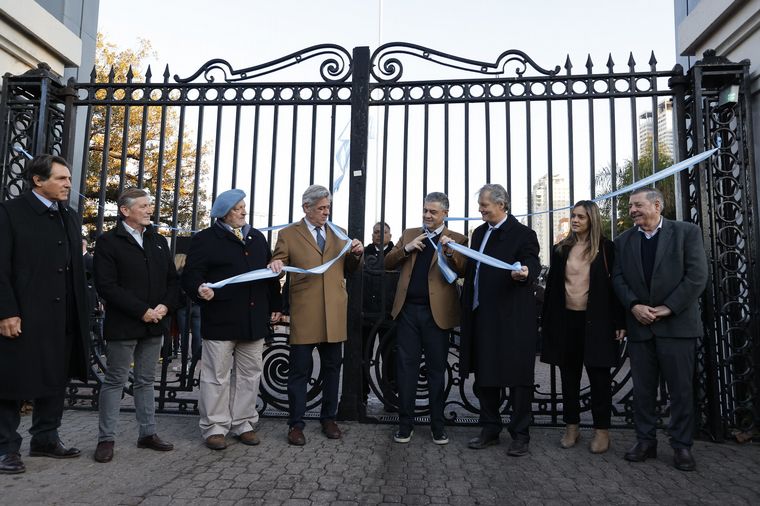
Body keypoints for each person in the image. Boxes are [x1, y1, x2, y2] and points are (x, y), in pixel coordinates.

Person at [0, 154, 90, 474]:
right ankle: (5, 448)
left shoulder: (70, 215)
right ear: (38, 181)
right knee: (11, 381)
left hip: (63, 314)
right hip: (24, 314)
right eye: (61, 179)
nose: (69, 184)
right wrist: (6, 310)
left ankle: (45, 438)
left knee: (56, 376)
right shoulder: (10, 212)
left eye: (68, 178)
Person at [612, 187, 708, 471]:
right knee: (642, 390)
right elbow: (617, 278)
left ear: (657, 205)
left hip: (677, 326)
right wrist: (634, 306)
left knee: (680, 391)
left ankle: (681, 446)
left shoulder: (686, 233)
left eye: (637, 205)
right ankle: (645, 441)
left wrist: (668, 307)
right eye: (630, 206)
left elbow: (697, 275)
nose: (632, 211)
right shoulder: (623, 240)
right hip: (640, 327)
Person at [182, 189, 282, 450]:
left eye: (244, 207)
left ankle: (244, 423)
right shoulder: (206, 239)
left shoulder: (257, 238)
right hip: (221, 318)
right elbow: (191, 275)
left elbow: (268, 274)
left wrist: (277, 304)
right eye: (238, 208)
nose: (243, 212)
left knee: (250, 375)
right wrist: (199, 289)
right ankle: (214, 427)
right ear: (224, 213)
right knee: (216, 376)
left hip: (254, 319)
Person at [268, 185, 363, 446]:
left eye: (328, 208)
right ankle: (296, 424)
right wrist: (275, 265)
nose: (326, 212)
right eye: (321, 208)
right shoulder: (288, 233)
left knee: (333, 368)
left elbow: (351, 269)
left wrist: (357, 254)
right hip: (305, 311)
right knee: (299, 371)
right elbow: (279, 262)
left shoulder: (339, 232)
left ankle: (328, 419)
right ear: (306, 208)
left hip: (334, 311)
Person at [92, 188, 180, 463]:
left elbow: (173, 281)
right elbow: (106, 285)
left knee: (145, 380)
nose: (148, 210)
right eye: (142, 206)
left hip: (155, 324)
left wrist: (165, 307)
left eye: (149, 206)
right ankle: (106, 439)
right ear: (125, 210)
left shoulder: (158, 241)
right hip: (125, 324)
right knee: (115, 380)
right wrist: (141, 311)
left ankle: (147, 434)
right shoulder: (109, 241)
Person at [460, 183, 540, 457]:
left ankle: (520, 435)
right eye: (480, 205)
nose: (480, 210)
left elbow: (532, 262)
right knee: (486, 376)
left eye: (484, 205)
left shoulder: (523, 234)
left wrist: (525, 273)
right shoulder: (479, 233)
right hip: (482, 316)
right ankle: (490, 429)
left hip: (512, 319)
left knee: (518, 379)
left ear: (501, 205)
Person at [540, 200, 626, 454]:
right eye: (573, 216)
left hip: (597, 323)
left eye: (581, 217)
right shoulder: (560, 249)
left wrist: (620, 321)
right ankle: (572, 426)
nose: (575, 220)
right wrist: (547, 323)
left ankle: (601, 431)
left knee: (599, 379)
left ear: (592, 220)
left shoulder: (607, 249)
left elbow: (615, 287)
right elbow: (553, 289)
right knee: (569, 378)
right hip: (567, 322)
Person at [384, 192, 467, 444]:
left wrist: (450, 252)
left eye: (433, 212)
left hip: (437, 315)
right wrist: (405, 250)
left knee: (435, 371)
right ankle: (405, 424)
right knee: (406, 369)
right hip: (408, 312)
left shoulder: (457, 238)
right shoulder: (410, 234)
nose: (427, 215)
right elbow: (387, 262)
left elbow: (465, 268)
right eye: (425, 210)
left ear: (445, 214)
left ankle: (437, 425)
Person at [362, 221, 398, 410]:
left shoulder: (396, 252)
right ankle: (360, 395)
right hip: (366, 313)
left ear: (390, 235)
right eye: (376, 232)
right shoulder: (364, 252)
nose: (379, 234)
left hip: (389, 313)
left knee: (390, 356)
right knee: (363, 356)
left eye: (383, 232)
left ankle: (390, 397)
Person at [174, 253, 202, 360]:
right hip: (196, 305)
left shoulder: (177, 274)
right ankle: (195, 357)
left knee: (184, 334)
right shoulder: (192, 273)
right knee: (197, 333)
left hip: (183, 307)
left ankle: (184, 358)